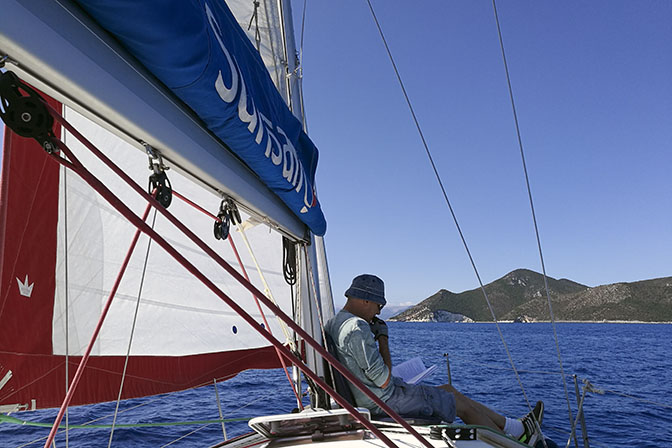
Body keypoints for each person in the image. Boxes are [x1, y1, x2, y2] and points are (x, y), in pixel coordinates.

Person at [325, 274, 544, 445]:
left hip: (372, 396)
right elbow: (383, 380)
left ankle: (516, 428)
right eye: (378, 306)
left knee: (449, 389)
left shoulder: (335, 323)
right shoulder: (357, 328)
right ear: (366, 300)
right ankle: (512, 444)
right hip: (384, 401)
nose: (378, 312)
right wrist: (382, 338)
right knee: (459, 405)